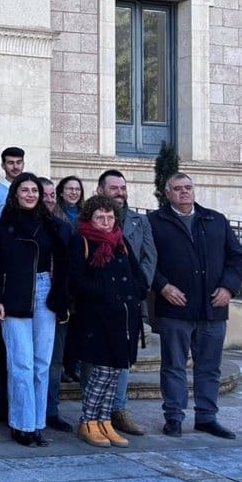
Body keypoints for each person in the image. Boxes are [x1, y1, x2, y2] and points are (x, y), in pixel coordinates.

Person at [148, 172, 242, 439]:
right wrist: (163, 286)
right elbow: (146, 262)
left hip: (213, 309)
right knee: (173, 365)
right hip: (175, 309)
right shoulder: (155, 222)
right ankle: (174, 417)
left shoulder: (215, 220)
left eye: (188, 187)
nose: (184, 192)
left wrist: (228, 287)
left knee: (209, 367)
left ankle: (206, 417)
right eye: (178, 188)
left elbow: (237, 259)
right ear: (167, 193)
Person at [0, 172, 68, 447]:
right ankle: (21, 425)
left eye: (35, 190)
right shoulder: (1, 226)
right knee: (21, 363)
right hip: (14, 294)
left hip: (45, 291)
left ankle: (37, 424)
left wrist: (61, 298)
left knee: (42, 364)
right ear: (15, 193)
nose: (30, 194)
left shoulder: (52, 226)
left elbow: (65, 265)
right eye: (25, 190)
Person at [67, 195, 147, 448]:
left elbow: (136, 274)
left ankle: (104, 420)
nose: (105, 221)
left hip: (122, 318)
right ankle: (87, 420)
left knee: (115, 373)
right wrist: (104, 295)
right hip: (97, 317)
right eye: (100, 217)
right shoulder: (81, 241)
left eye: (110, 217)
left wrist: (135, 293)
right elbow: (77, 279)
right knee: (100, 373)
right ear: (89, 218)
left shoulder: (120, 242)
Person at [94, 168, 157, 435]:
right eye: (113, 188)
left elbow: (149, 257)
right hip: (99, 302)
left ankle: (119, 410)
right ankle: (94, 413)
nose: (120, 193)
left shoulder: (139, 221)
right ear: (100, 191)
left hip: (129, 302)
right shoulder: (90, 219)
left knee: (124, 358)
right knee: (95, 358)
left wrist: (138, 288)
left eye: (122, 188)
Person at [39, 176, 76, 433]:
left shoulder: (64, 229)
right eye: (45, 195)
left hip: (57, 304)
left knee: (54, 362)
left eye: (53, 195)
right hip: (26, 305)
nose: (50, 199)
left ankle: (50, 410)